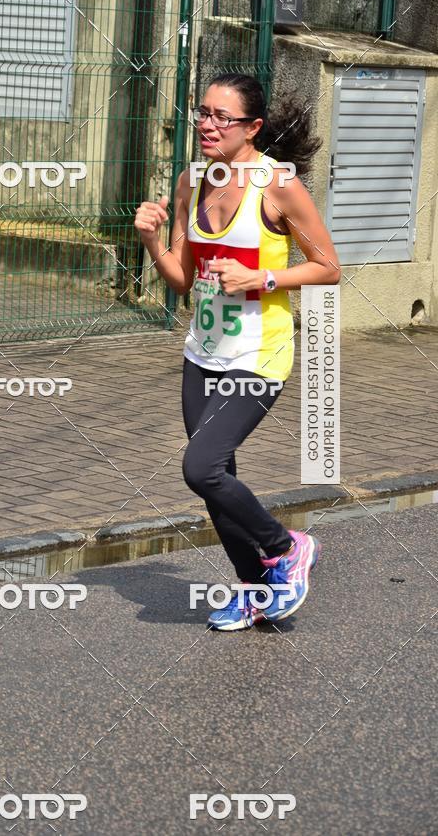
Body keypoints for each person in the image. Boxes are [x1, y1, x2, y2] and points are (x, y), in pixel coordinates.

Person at [134, 72, 341, 631]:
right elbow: (181, 281)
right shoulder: (191, 182)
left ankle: (287, 546)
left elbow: (329, 267)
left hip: (259, 354)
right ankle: (257, 591)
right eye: (203, 113)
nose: (207, 124)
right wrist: (153, 240)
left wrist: (259, 279)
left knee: (199, 467)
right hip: (202, 353)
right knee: (217, 479)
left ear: (252, 127)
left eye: (222, 117)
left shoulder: (278, 185)